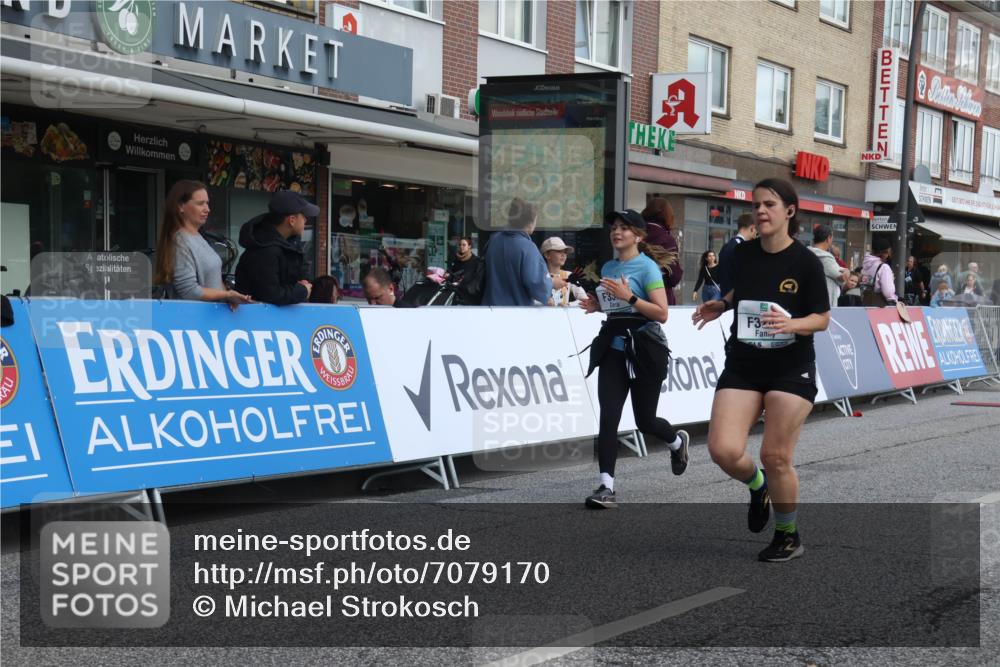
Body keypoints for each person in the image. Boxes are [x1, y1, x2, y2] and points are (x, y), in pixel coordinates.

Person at [692, 178, 829, 562]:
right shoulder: (744, 254)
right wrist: (721, 305)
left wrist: (793, 325)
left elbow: (822, 319)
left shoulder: (805, 262)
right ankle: (758, 487)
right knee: (723, 449)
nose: (761, 211)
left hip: (791, 367)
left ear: (790, 211)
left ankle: (788, 534)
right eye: (756, 205)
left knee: (776, 455)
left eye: (769, 204)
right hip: (744, 362)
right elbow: (742, 291)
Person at [579, 209, 690, 509]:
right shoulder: (609, 266)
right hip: (613, 349)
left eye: (624, 228)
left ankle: (677, 443)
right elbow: (615, 306)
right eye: (614, 227)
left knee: (645, 420)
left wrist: (629, 297)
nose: (617, 232)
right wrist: (597, 304)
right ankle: (606, 486)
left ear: (638, 236)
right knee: (609, 417)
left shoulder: (648, 268)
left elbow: (662, 313)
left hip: (644, 350)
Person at [153, 180, 252, 305]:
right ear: (180, 206)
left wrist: (228, 298)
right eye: (200, 204)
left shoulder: (198, 237)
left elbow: (214, 280)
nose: (207, 209)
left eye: (207, 203)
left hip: (212, 319)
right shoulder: (179, 242)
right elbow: (189, 291)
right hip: (192, 321)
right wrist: (227, 294)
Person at [234, 190, 316, 305]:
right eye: (303, 216)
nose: (306, 220)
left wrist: (302, 283)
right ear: (292, 220)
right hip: (257, 321)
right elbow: (271, 294)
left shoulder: (285, 246)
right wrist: (303, 291)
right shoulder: (265, 249)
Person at [482, 198, 559, 306]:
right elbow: (540, 288)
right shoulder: (527, 248)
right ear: (529, 222)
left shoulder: (494, 240)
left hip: (488, 309)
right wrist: (552, 283)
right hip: (515, 312)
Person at [640, 198, 683, 305]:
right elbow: (674, 277)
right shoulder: (667, 240)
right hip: (660, 296)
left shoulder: (636, 234)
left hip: (636, 294)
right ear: (668, 216)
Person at [717, 213, 757, 298]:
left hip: (725, 298)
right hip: (738, 299)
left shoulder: (726, 246)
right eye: (756, 230)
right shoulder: (743, 248)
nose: (756, 234)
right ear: (752, 228)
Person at [809, 224, 847, 310]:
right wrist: (846, 272)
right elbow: (841, 277)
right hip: (825, 303)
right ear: (828, 238)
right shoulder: (826, 257)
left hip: (811, 299)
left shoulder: (807, 253)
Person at [540, 237, 587, 306]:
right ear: (547, 255)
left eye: (565, 252)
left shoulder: (569, 275)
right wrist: (543, 302)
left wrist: (568, 305)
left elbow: (585, 299)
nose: (563, 255)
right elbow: (530, 300)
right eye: (559, 251)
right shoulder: (538, 276)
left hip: (563, 316)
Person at [446, 237, 485, 305]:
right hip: (456, 297)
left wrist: (460, 285)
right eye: (460, 245)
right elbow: (453, 275)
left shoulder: (477, 262)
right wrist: (448, 276)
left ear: (469, 246)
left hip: (470, 299)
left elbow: (477, 283)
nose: (461, 247)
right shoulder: (457, 261)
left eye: (464, 245)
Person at [860, 237, 897, 306]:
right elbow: (888, 292)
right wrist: (891, 279)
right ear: (885, 252)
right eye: (889, 252)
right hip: (880, 307)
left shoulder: (866, 264)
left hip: (866, 303)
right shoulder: (884, 267)